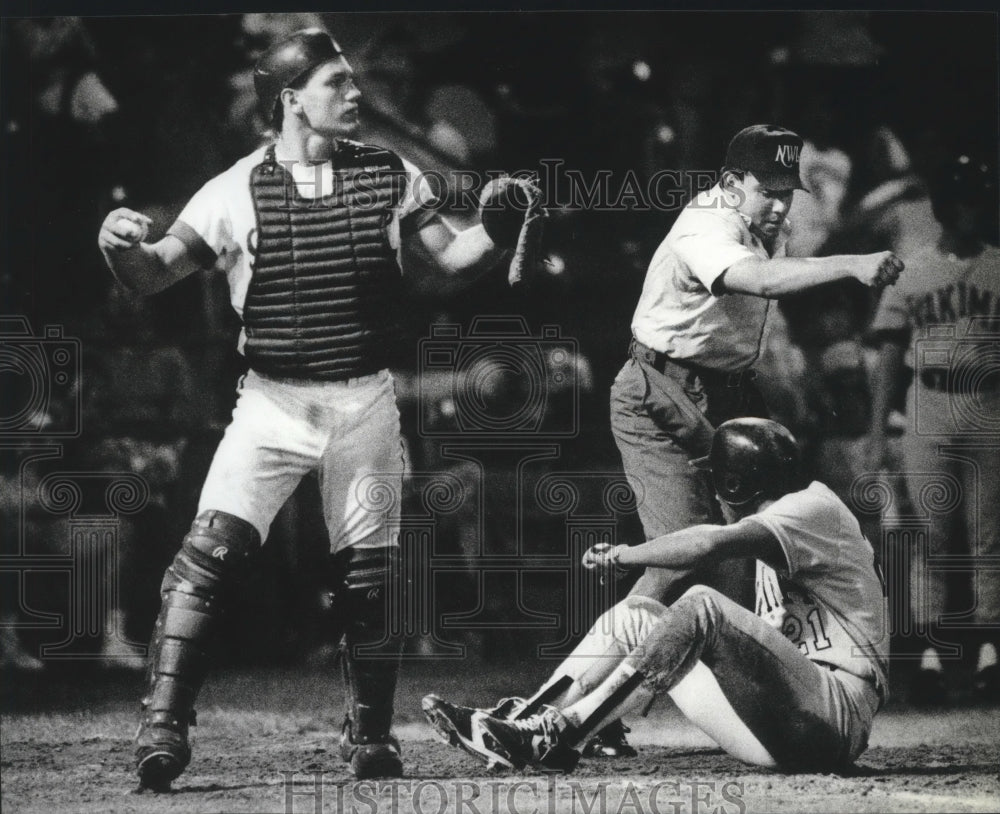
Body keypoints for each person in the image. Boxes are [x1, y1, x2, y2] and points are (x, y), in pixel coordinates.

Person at [97, 28, 529, 790]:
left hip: (362, 402)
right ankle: (162, 727)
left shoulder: (390, 174)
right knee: (205, 560)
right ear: (292, 100)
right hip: (271, 404)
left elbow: (457, 257)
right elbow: (150, 274)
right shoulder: (235, 188)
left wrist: (498, 223)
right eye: (337, 83)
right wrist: (115, 245)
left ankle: (369, 737)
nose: (356, 95)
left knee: (371, 576)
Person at [597, 123, 901, 757]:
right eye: (767, 191)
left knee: (746, 569)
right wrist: (851, 264)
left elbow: (764, 307)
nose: (780, 204)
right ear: (731, 183)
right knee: (675, 559)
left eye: (787, 191)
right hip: (660, 388)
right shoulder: (707, 222)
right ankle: (573, 707)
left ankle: (758, 707)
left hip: (726, 389)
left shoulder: (766, 217)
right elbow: (760, 283)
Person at [423, 418, 888, 774]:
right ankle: (523, 720)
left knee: (701, 604)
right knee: (636, 616)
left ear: (735, 484)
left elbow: (706, 543)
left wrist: (626, 554)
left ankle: (559, 734)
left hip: (833, 718)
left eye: (718, 478)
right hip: (780, 724)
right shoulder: (783, 528)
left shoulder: (813, 507)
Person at [867, 153, 1000, 705]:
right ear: (944, 207)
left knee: (989, 535)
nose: (968, 211)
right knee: (929, 535)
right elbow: (890, 357)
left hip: (988, 401)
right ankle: (927, 653)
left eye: (977, 200)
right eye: (960, 200)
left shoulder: (998, 266)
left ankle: (990, 652)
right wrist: (877, 430)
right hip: (929, 401)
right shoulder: (912, 269)